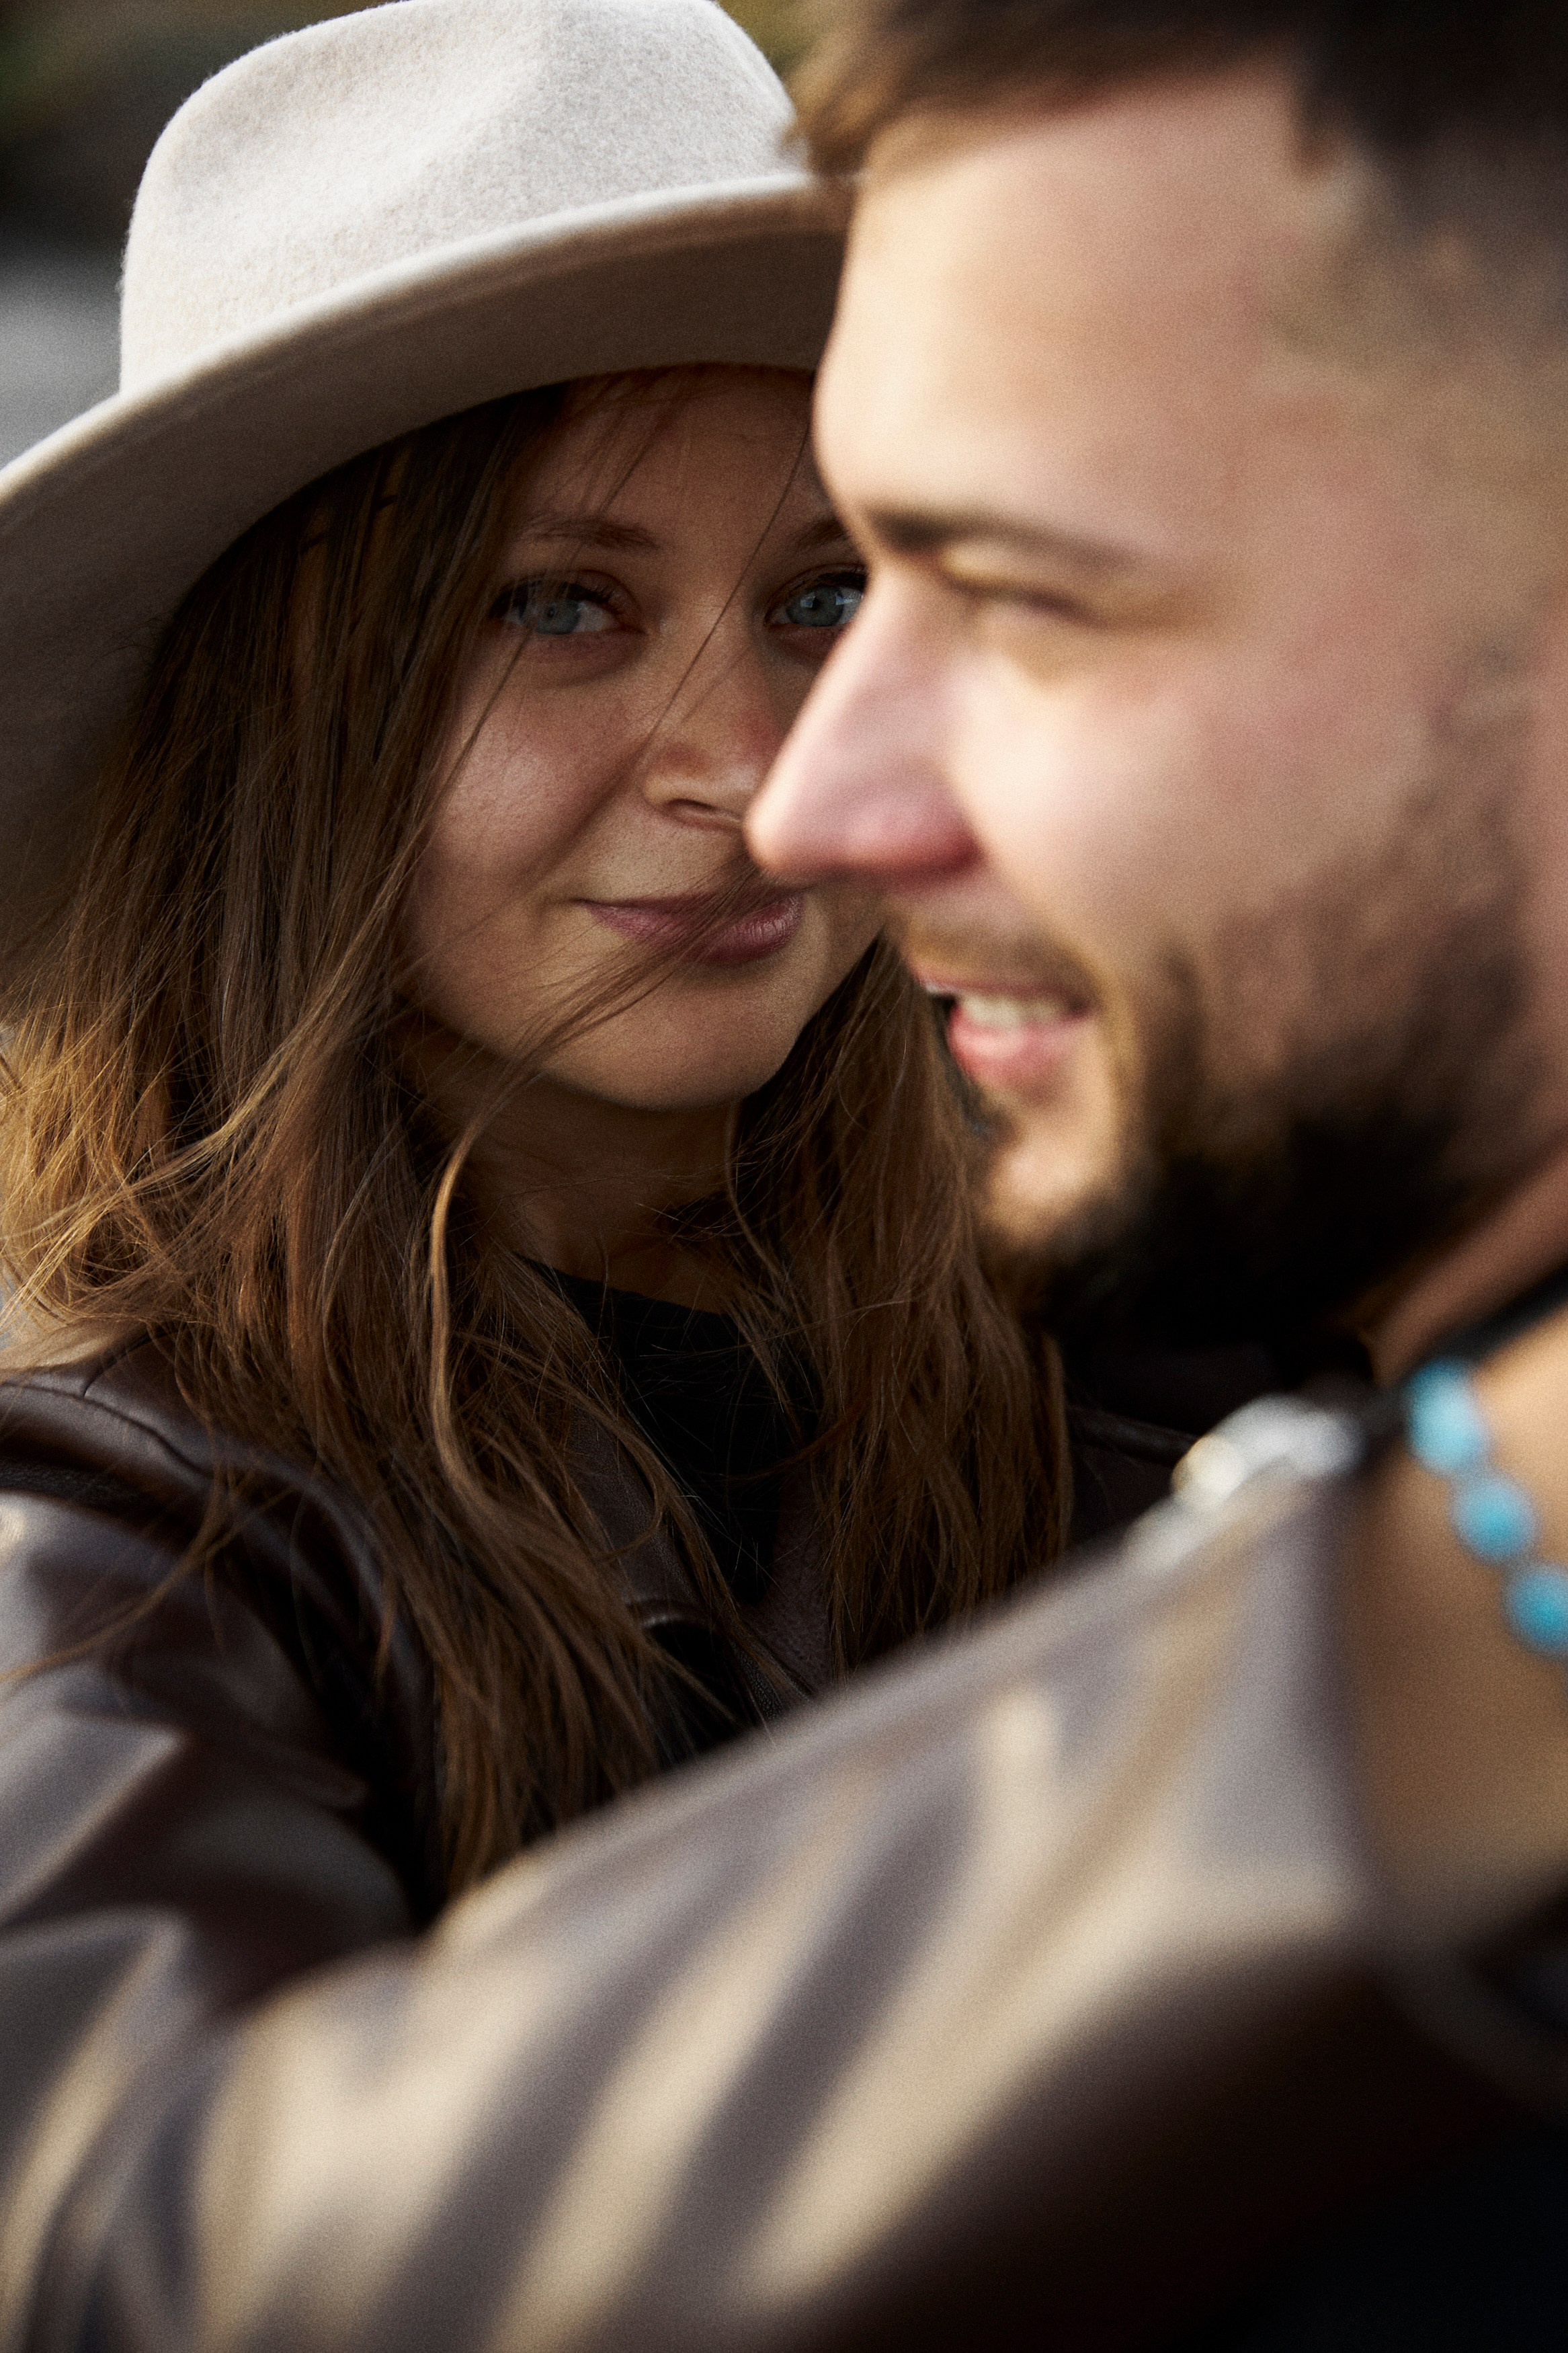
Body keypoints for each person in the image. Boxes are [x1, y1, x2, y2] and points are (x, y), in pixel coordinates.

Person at [5, 5, 1566, 2352]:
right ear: (277, 721)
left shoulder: (1166, 1276)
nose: (766, 771)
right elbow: (132, 2255)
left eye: (833, 593)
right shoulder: (97, 1531)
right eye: (563, 606)